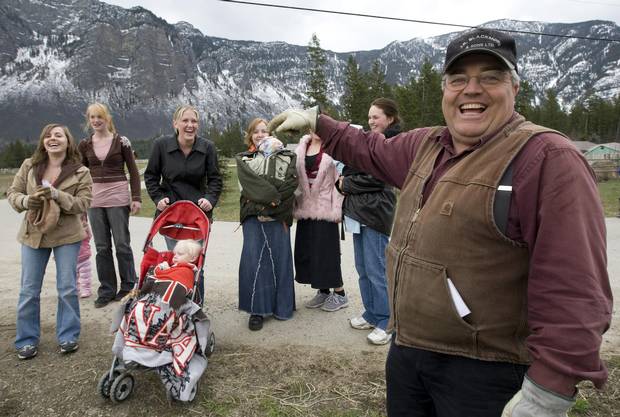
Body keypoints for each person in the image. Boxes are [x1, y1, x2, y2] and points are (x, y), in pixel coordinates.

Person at [268, 28, 612, 417]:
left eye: (490, 77)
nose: (472, 89)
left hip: (487, 372)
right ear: (445, 89)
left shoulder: (547, 158)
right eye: (459, 79)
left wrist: (549, 391)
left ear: (515, 88)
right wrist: (321, 124)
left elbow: (576, 288)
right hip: (409, 353)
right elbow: (370, 149)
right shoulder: (426, 145)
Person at [7, 124, 92, 360]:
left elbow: (84, 203)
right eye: (48, 135)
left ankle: (68, 336)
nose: (52, 138)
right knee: (29, 289)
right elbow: (12, 193)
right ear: (43, 141)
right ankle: (26, 340)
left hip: (67, 235)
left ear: (68, 141)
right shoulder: (29, 165)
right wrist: (26, 201)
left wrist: (57, 195)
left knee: (67, 287)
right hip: (34, 233)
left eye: (58, 135)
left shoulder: (80, 171)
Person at [335, 97, 400, 345]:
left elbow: (378, 178)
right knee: (363, 268)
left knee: (377, 270)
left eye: (377, 117)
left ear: (390, 119)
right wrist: (343, 181)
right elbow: (349, 169)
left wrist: (346, 184)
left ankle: (386, 321)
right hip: (359, 212)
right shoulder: (369, 142)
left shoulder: (391, 143)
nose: (371, 121)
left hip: (375, 214)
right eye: (370, 117)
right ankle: (371, 313)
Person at [144, 105, 223, 302]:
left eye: (194, 121)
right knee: (176, 261)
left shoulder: (207, 148)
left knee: (195, 264)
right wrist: (158, 198)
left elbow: (215, 180)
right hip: (172, 215)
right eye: (185, 121)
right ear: (175, 124)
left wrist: (210, 199)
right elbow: (151, 176)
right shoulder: (161, 146)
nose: (190, 125)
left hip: (198, 217)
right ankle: (175, 306)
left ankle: (196, 307)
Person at [236, 118, 298, 331]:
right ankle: (257, 311)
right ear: (250, 135)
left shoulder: (288, 157)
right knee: (256, 262)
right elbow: (250, 188)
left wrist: (273, 206)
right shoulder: (244, 159)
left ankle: (283, 307)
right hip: (253, 216)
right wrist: (270, 200)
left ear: (271, 134)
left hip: (278, 215)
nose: (261, 135)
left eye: (265, 131)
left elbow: (290, 185)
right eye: (256, 131)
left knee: (280, 261)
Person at [78, 102, 141, 308]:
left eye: (100, 117)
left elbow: (132, 171)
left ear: (108, 119)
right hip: (95, 201)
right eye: (92, 117)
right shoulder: (84, 145)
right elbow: (81, 175)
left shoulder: (121, 142)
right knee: (102, 246)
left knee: (122, 244)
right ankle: (106, 289)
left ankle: (129, 286)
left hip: (118, 198)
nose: (96, 121)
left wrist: (136, 197)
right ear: (89, 120)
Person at [293, 132, 346, 311]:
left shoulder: (333, 148)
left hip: (326, 208)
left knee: (327, 252)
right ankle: (322, 291)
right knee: (308, 251)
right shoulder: (301, 148)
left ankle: (340, 293)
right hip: (305, 208)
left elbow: (339, 182)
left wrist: (337, 209)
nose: (315, 128)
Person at [75, 213, 93, 298]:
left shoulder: (85, 231)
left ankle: (86, 290)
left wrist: (86, 228)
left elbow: (89, 236)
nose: (82, 222)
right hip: (73, 260)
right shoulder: (71, 233)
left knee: (85, 277)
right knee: (73, 277)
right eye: (80, 220)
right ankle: (76, 290)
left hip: (84, 259)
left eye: (84, 220)